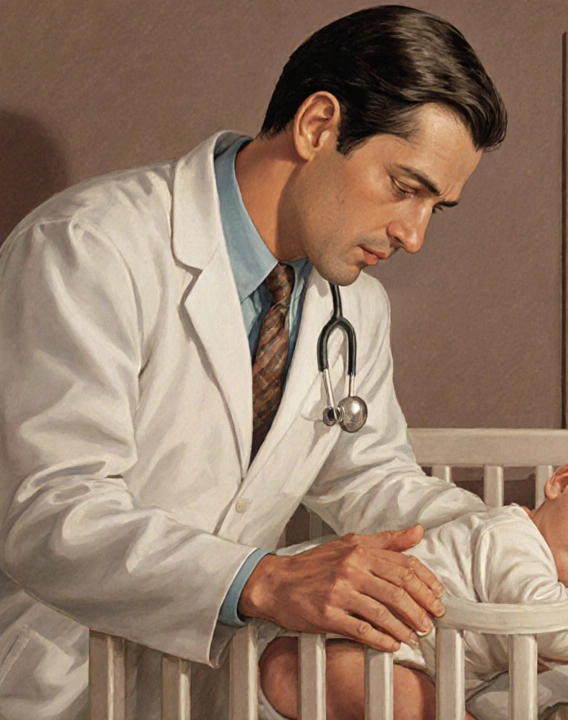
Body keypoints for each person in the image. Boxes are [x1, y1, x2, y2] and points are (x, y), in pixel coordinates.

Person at [0, 6, 508, 718]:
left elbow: (371, 479)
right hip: (57, 680)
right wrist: (263, 580)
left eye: (436, 207)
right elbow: (50, 512)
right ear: (318, 126)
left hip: (212, 688)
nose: (414, 235)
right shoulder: (88, 246)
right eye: (405, 188)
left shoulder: (354, 306)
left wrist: (523, 546)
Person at [258, 450, 568, 720]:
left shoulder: (538, 573)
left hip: (390, 657)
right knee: (414, 705)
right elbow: (551, 625)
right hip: (341, 647)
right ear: (563, 483)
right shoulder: (513, 540)